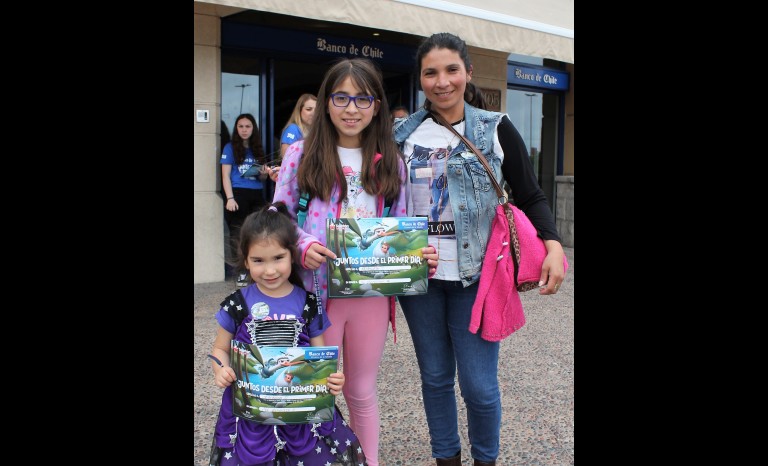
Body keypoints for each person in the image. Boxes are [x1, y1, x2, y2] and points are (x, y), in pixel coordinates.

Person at [393, 32, 567, 466]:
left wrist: (554, 246)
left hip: (477, 276)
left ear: (468, 73)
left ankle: (485, 460)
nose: (442, 81)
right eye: (431, 72)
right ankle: (446, 459)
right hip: (421, 279)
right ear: (420, 79)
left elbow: (530, 194)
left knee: (479, 387)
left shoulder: (495, 127)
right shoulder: (401, 135)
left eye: (452, 69)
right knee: (434, 379)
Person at [272, 57, 438, 466]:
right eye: (341, 97)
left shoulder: (391, 161)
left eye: (362, 99)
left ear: (377, 106)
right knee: (313, 390)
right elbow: (278, 217)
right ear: (327, 102)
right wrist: (302, 244)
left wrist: (419, 254)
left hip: (369, 296)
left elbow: (400, 225)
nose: (351, 108)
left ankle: (368, 460)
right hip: (313, 294)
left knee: (361, 390)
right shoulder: (300, 154)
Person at [208, 202, 367, 466]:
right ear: (245, 259)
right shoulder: (236, 304)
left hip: (300, 406)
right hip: (250, 409)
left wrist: (332, 378)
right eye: (258, 261)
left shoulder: (308, 304)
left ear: (292, 255)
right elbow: (219, 349)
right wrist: (221, 369)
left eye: (278, 258)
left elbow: (319, 356)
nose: (269, 270)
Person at [221, 113, 271, 286]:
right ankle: (241, 273)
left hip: (256, 194)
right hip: (237, 195)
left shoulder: (257, 148)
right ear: (236, 128)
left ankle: (255, 271)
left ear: (253, 129)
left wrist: (264, 174)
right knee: (238, 234)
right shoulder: (229, 148)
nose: (244, 130)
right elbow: (225, 176)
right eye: (240, 126)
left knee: (257, 234)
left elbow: (262, 179)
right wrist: (230, 198)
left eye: (247, 126)